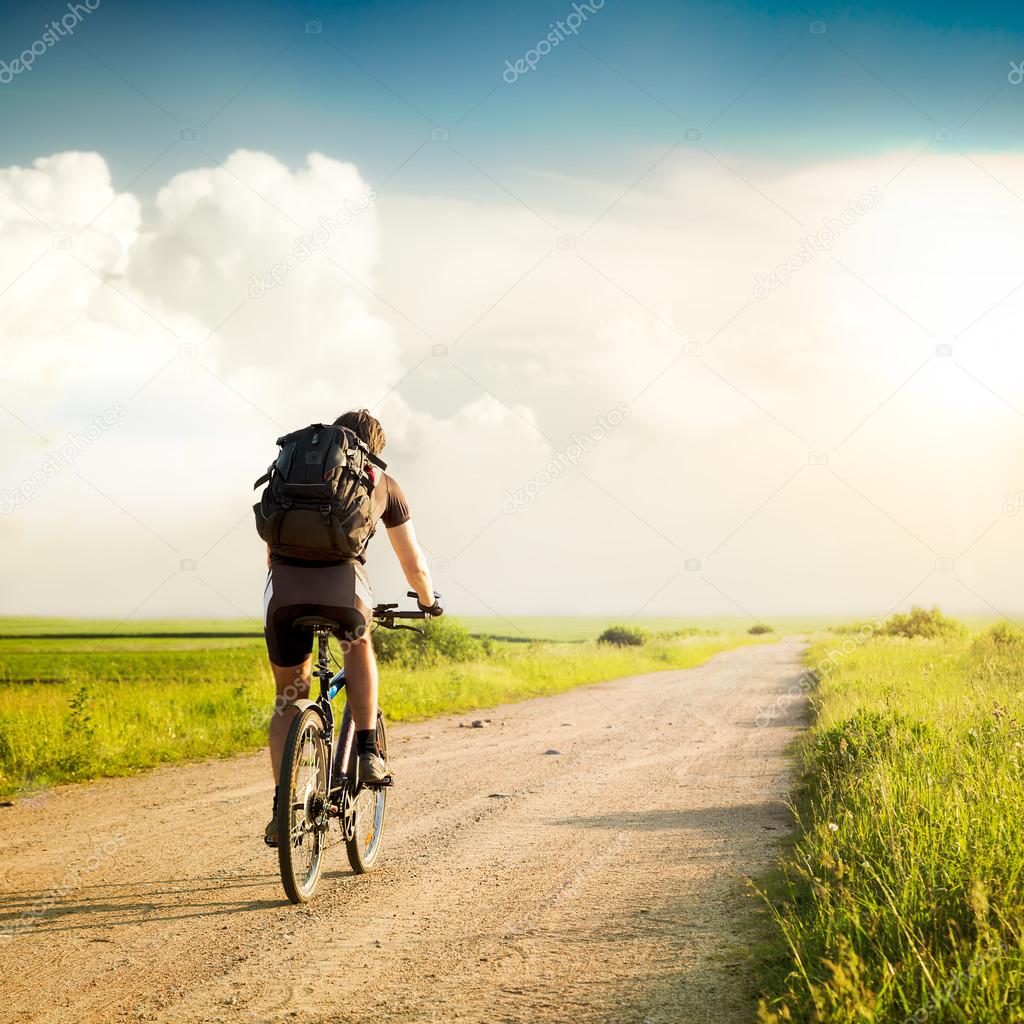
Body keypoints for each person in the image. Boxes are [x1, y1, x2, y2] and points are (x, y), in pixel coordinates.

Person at [261, 409, 442, 846]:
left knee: (289, 699)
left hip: (283, 595)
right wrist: (428, 601)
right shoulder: (382, 484)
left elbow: (271, 545)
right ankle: (367, 750)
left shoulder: (293, 475)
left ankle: (282, 807)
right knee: (358, 645)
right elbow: (413, 564)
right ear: (372, 450)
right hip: (344, 594)